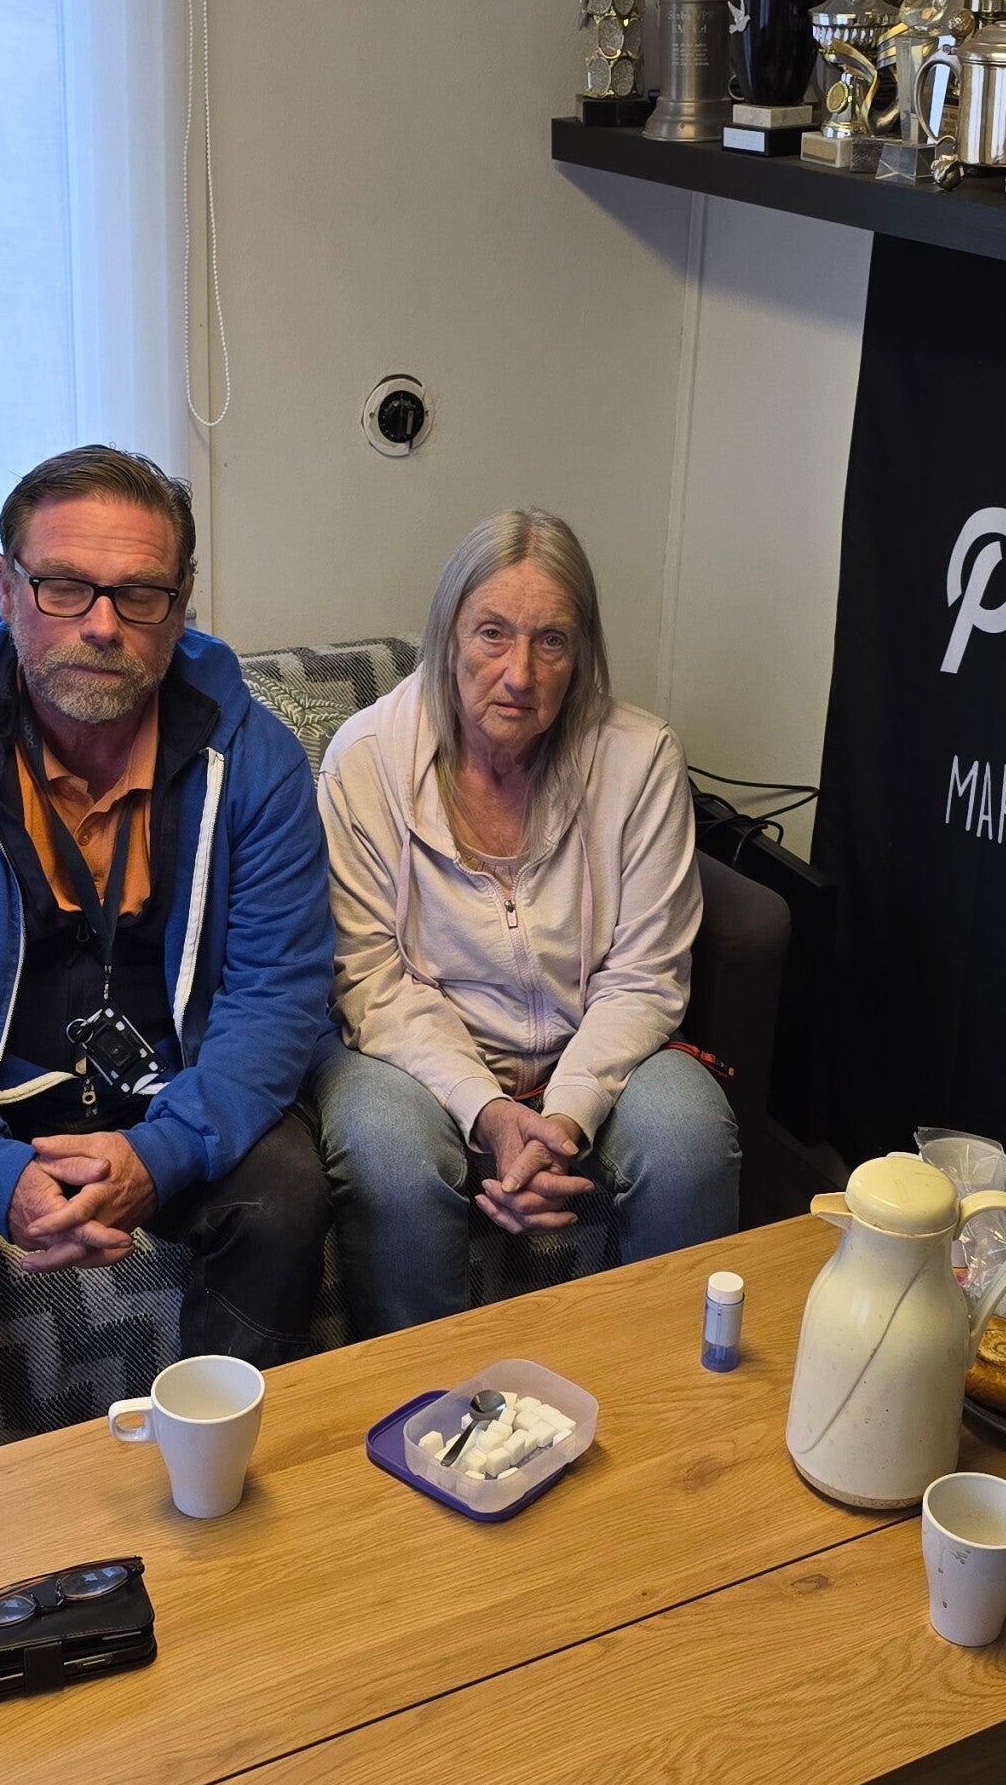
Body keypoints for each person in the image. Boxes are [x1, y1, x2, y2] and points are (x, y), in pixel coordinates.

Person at [0, 446, 334, 1488]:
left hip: (169, 1092)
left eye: (138, 593)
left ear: (179, 605)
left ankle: (225, 1501)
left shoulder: (256, 762)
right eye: (64, 586)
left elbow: (278, 995)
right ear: (7, 588)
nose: (101, 623)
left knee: (282, 1193)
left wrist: (161, 1153)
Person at [311, 507, 739, 1335]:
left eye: (551, 641)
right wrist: (487, 1110)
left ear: (582, 653)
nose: (519, 673)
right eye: (492, 633)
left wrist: (564, 1115)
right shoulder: (363, 761)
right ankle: (424, 1392)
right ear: (446, 634)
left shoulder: (640, 757)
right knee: (389, 1150)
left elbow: (645, 975)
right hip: (412, 1057)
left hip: (596, 1043)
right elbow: (371, 981)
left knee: (687, 1132)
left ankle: (674, 1386)